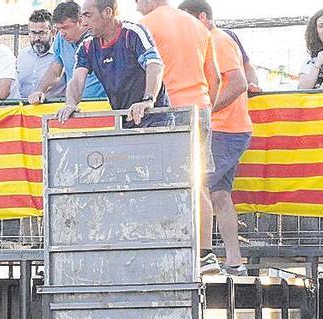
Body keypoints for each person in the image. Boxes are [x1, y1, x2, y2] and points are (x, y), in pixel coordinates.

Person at [137, 0, 221, 275]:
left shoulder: (146, 25)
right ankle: (205, 254)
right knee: (198, 183)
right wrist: (207, 105)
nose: (137, 7)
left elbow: (143, 73)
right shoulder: (198, 26)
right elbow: (216, 79)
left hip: (167, 109)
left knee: (163, 183)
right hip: (200, 106)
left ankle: (172, 249)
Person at [179, 0, 250, 276]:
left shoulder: (217, 40)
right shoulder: (213, 40)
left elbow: (238, 81)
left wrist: (208, 110)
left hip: (224, 129)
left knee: (199, 188)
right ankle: (234, 261)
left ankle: (204, 255)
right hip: (228, 128)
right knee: (219, 194)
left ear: (202, 18)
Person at [56, 0, 167, 129]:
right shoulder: (87, 45)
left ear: (107, 12)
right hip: (124, 120)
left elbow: (154, 64)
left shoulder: (132, 33)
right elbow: (76, 79)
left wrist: (148, 100)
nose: (84, 23)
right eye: (82, 17)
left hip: (155, 117)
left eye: (88, 15)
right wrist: (70, 104)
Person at [34, 1, 107, 104]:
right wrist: (39, 91)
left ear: (81, 21)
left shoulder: (98, 37)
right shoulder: (60, 38)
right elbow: (55, 71)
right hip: (73, 105)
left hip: (102, 104)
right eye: (59, 29)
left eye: (65, 28)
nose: (62, 33)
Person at [18, 10, 64, 101]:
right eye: (33, 33)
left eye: (41, 33)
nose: (37, 38)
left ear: (53, 32)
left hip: (52, 109)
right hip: (24, 111)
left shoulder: (61, 55)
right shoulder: (22, 55)